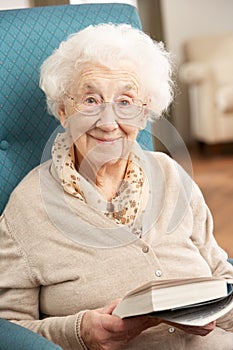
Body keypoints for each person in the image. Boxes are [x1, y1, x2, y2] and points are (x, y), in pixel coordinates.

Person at [0, 23, 233, 350]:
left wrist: (217, 306)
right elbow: (8, 330)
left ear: (144, 113)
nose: (108, 123)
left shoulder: (170, 174)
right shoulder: (29, 206)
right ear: (64, 110)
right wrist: (81, 332)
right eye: (91, 100)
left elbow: (222, 274)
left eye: (126, 101)